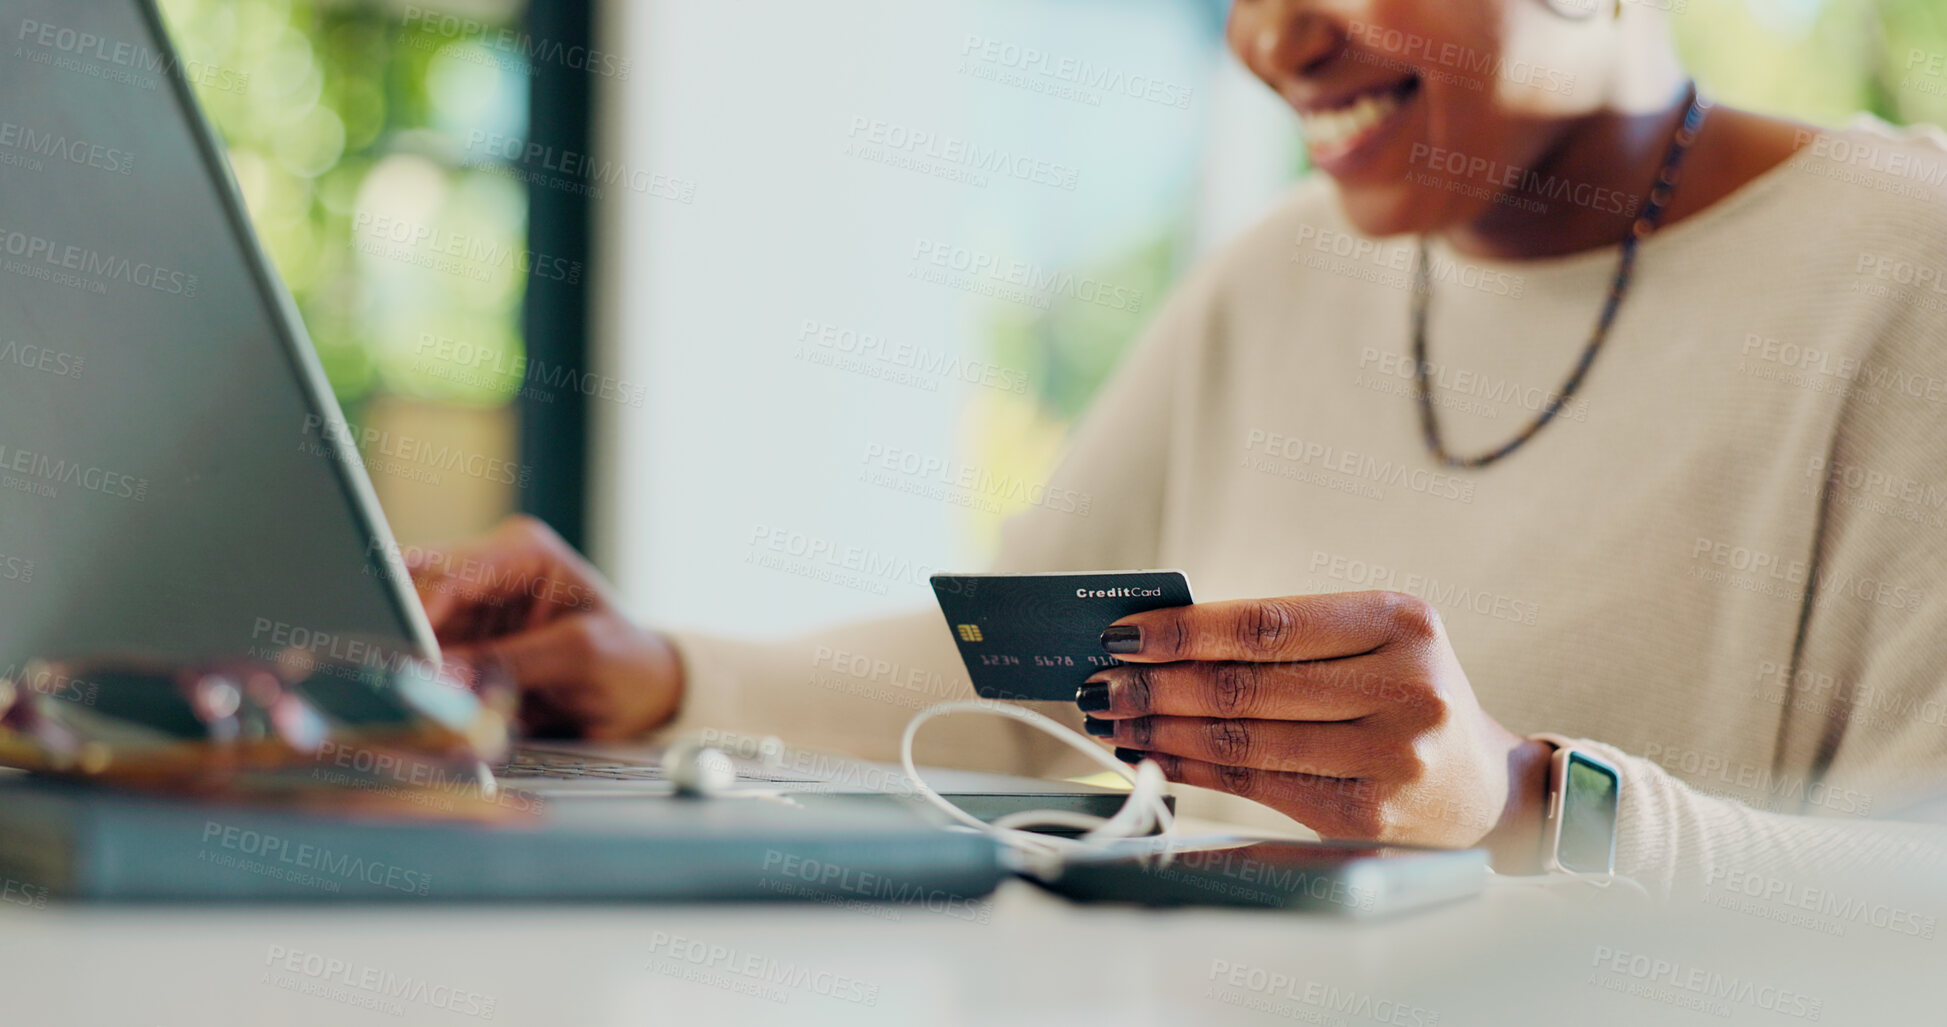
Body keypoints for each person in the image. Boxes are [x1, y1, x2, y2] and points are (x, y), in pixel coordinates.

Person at [411, 0, 1947, 894]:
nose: (1273, 38)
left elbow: (1910, 922)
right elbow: (1041, 700)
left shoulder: (1906, 276)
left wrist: (1528, 799)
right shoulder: (1282, 271)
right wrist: (666, 675)